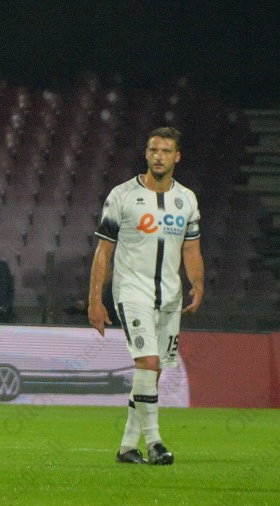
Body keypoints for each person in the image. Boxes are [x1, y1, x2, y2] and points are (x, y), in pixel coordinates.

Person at [88, 126, 204, 466]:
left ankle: (127, 446)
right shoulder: (122, 195)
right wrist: (95, 299)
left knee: (152, 373)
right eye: (153, 150)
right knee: (148, 363)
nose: (158, 156)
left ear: (177, 157)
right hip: (132, 290)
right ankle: (155, 443)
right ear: (146, 154)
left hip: (170, 295)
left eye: (165, 151)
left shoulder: (187, 199)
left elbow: (191, 249)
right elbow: (103, 252)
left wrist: (198, 284)